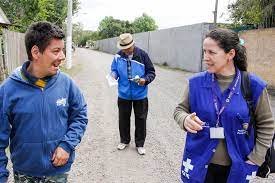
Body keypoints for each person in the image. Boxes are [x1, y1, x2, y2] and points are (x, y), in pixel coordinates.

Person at [173, 28, 274, 183]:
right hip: (199, 162)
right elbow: (180, 110)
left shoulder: (254, 86)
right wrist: (185, 119)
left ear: (230, 54)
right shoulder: (195, 83)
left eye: (211, 52)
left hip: (238, 166)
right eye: (204, 52)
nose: (205, 58)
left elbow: (266, 124)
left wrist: (256, 157)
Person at [0, 21, 88, 182]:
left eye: (62, 50)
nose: (62, 56)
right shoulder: (8, 90)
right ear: (35, 52)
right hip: (25, 172)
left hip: (58, 170)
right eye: (56, 51)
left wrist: (67, 145)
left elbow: (80, 115)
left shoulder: (67, 84)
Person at [110, 33, 155, 155]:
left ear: (133, 44)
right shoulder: (118, 56)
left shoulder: (143, 55)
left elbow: (151, 72)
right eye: (124, 49)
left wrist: (144, 80)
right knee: (123, 119)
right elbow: (114, 69)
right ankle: (124, 141)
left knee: (141, 120)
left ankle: (140, 144)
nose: (126, 51)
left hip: (140, 95)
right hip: (123, 94)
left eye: (128, 49)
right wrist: (114, 74)